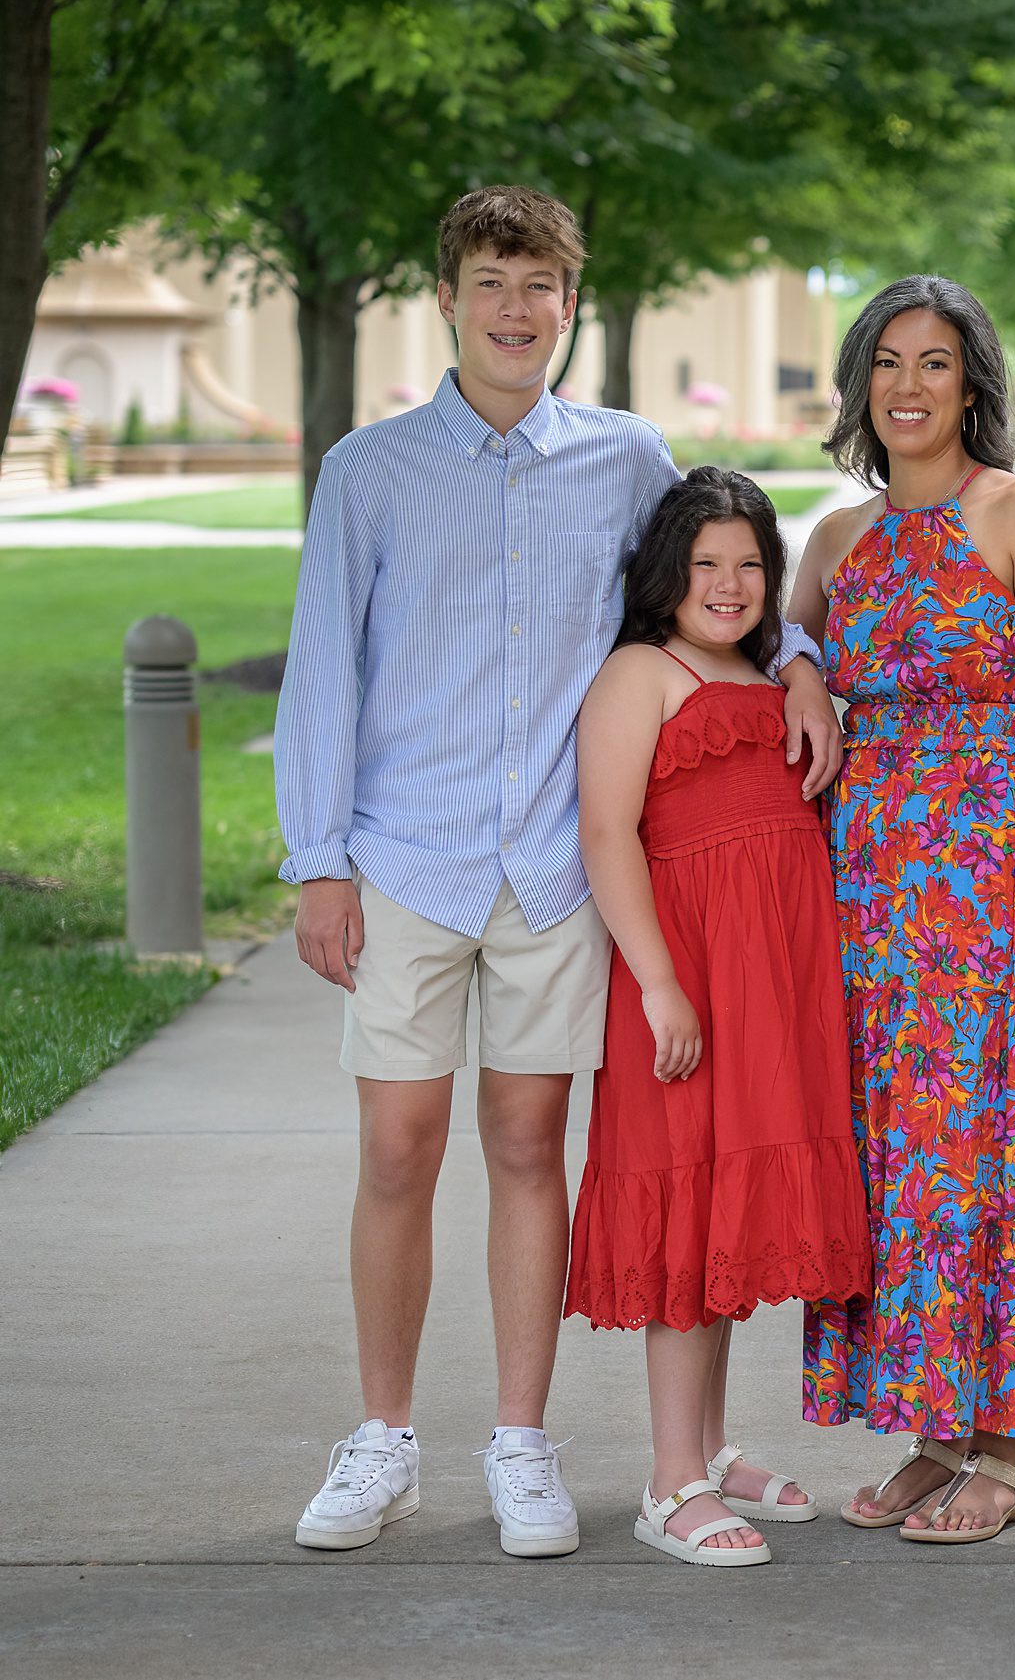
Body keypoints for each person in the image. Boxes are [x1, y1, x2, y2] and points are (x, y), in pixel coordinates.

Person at [277, 186, 840, 1558]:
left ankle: (520, 1439)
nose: (516, 309)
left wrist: (807, 658)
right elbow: (322, 672)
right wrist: (319, 860)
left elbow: (719, 574)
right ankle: (385, 1437)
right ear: (451, 300)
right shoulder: (371, 469)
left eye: (540, 286)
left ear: (571, 305)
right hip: (406, 853)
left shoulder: (627, 453)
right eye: (491, 283)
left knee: (532, 1143)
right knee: (398, 1146)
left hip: (552, 867)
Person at [788, 275, 1015, 1545]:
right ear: (861, 385)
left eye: (934, 363)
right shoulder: (836, 538)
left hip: (980, 881)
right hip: (863, 885)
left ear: (971, 382)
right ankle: (929, 1427)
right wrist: (808, 668)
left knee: (980, 1155)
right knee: (890, 1160)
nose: (909, 386)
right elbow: (777, 638)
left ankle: (1002, 1445)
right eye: (887, 362)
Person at [563, 469, 870, 1568]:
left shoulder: (773, 672)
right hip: (685, 978)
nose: (730, 584)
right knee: (687, 1217)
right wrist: (655, 983)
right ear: (665, 575)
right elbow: (606, 836)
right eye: (705, 565)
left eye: (748, 563)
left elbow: (801, 652)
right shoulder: (639, 673)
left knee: (731, 1217)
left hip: (774, 984)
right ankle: (668, 1481)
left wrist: (797, 663)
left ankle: (708, 1442)